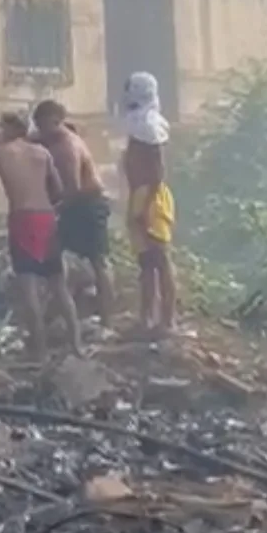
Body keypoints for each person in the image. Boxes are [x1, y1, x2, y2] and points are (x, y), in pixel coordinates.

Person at [0, 112, 81, 359]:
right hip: (46, 217)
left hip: (22, 220)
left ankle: (40, 352)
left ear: (9, 129)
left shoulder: (0, 151)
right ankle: (77, 345)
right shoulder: (42, 153)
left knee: (28, 286)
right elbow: (59, 191)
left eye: (2, 126)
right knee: (59, 286)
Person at [33, 99, 115, 328]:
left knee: (98, 260)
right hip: (71, 205)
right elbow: (29, 139)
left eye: (43, 124)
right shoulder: (50, 138)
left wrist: (50, 209)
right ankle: (52, 313)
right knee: (54, 255)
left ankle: (107, 321)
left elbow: (73, 188)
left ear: (55, 121)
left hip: (87, 204)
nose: (40, 129)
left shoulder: (67, 146)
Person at [122, 71, 176, 336]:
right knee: (145, 262)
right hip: (140, 197)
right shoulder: (137, 124)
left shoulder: (150, 126)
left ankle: (167, 320)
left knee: (161, 259)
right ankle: (146, 318)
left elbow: (157, 172)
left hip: (151, 199)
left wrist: (144, 208)